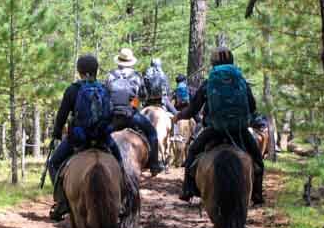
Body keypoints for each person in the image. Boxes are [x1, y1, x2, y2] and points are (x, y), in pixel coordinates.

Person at [172, 46, 264, 203]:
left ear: (213, 63)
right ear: (232, 61)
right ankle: (257, 193)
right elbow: (253, 106)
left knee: (193, 152)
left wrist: (178, 116)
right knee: (258, 160)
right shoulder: (241, 81)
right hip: (239, 130)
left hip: (215, 130)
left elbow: (193, 109)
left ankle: (188, 189)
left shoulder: (209, 83)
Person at [47, 54, 124, 221]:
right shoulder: (104, 88)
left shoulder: (73, 90)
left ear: (79, 71)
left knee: (53, 163)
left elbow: (62, 116)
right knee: (119, 161)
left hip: (79, 139)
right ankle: (122, 201)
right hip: (102, 138)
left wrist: (56, 134)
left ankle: (62, 202)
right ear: (96, 71)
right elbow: (110, 114)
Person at [105, 48, 165, 174]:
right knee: (152, 133)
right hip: (130, 116)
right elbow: (142, 96)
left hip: (112, 116)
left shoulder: (110, 75)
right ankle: (154, 165)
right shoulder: (136, 76)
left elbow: (105, 95)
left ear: (118, 61)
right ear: (130, 61)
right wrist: (133, 105)